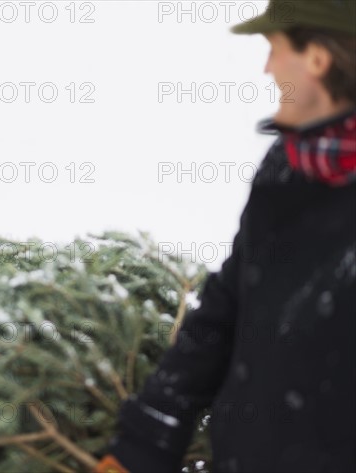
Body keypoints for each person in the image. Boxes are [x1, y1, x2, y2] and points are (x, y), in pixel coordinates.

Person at [96, 1, 356, 471]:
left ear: (317, 58)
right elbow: (226, 308)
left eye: (275, 50)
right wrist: (148, 439)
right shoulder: (288, 169)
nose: (267, 68)